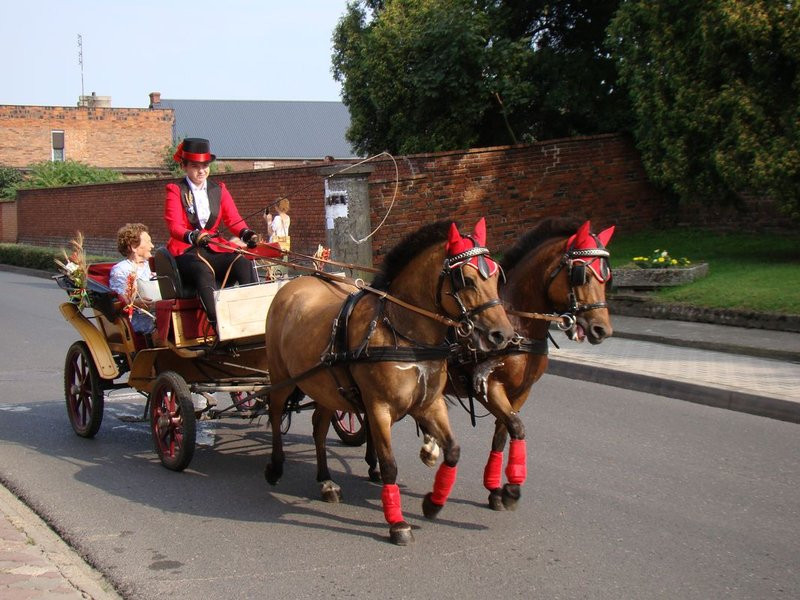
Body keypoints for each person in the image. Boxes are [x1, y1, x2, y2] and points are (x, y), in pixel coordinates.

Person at [164, 137, 258, 329]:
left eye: (205, 166)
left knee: (242, 262)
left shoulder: (219, 189)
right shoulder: (176, 190)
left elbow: (233, 219)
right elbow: (174, 226)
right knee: (202, 270)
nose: (201, 171)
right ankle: (218, 324)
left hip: (213, 247)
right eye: (195, 166)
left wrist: (246, 234)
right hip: (187, 250)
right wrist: (193, 235)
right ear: (184, 166)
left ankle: (253, 316)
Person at [109, 223, 160, 335]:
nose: (152, 246)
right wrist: (136, 303)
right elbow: (119, 300)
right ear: (133, 247)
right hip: (138, 319)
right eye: (148, 242)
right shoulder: (121, 270)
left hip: (161, 313)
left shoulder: (153, 265)